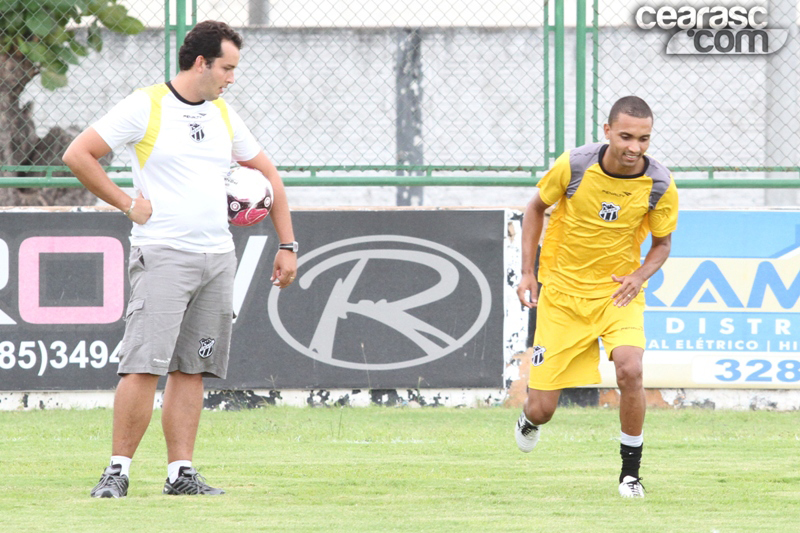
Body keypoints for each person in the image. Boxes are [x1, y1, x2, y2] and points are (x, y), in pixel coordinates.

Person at [63, 20, 298, 498]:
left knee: (193, 368)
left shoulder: (224, 115)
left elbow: (267, 173)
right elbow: (78, 154)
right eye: (227, 68)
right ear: (200, 63)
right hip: (163, 254)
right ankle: (117, 471)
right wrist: (127, 204)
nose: (232, 78)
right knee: (143, 366)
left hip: (217, 258)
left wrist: (288, 245)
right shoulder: (145, 105)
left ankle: (180, 474)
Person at [513, 96, 678, 498]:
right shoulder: (574, 165)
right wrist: (529, 272)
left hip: (616, 293)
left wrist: (639, 276)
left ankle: (630, 474)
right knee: (542, 409)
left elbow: (662, 244)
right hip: (563, 297)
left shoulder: (659, 184)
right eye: (625, 136)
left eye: (643, 139)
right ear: (607, 132)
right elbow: (535, 208)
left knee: (631, 368)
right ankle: (528, 420)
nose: (634, 147)